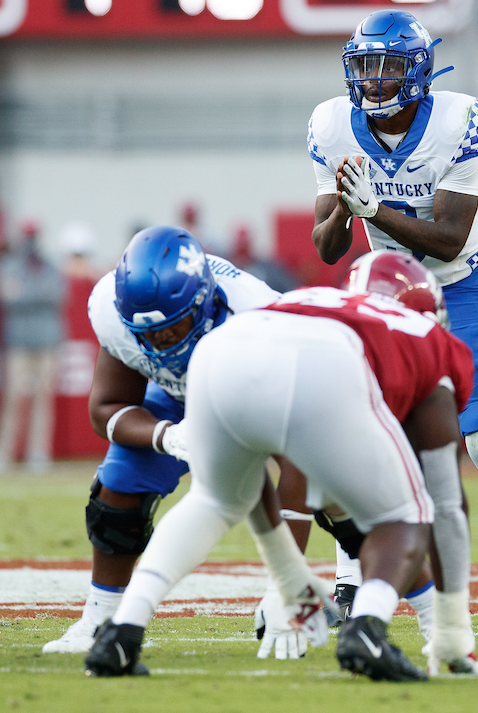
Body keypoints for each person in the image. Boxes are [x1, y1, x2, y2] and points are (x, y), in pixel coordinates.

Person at [85, 270, 478, 681]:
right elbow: (447, 503)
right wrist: (453, 630)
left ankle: (122, 631)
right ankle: (367, 629)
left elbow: (256, 468)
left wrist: (288, 576)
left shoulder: (317, 298)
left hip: (220, 349)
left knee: (213, 501)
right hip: (316, 361)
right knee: (407, 514)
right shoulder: (430, 340)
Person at [308, 9, 478, 628]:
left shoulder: (457, 122)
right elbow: (327, 247)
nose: (373, 79)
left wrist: (376, 211)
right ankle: (348, 581)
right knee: (363, 435)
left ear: (417, 72)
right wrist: (344, 209)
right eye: (364, 66)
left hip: (461, 284)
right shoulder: (332, 126)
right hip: (386, 295)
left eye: (387, 66)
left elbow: (448, 237)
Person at [41, 226, 280, 654]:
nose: (160, 342)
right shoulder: (112, 309)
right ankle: (100, 619)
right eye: (147, 333)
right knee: (117, 488)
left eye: (172, 327)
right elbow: (106, 407)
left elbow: (300, 456)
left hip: (258, 391)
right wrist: (165, 435)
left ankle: (346, 586)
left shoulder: (260, 318)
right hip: (179, 395)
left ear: (203, 300)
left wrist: (286, 588)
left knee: (329, 485)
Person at [0, 221, 65, 474]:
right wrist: (34, 294)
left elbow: (56, 295)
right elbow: (9, 298)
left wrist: (24, 293)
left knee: (43, 398)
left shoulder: (49, 266)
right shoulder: (11, 266)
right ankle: (5, 452)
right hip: (19, 342)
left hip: (47, 341)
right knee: (14, 398)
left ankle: (38, 453)